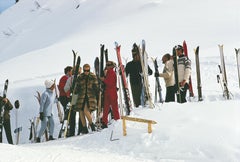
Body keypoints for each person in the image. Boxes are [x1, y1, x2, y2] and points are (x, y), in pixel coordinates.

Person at [125, 43, 153, 107]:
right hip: (134, 85)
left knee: (145, 100)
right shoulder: (129, 64)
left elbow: (150, 72)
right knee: (137, 102)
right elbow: (125, 74)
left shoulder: (143, 63)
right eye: (136, 55)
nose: (138, 57)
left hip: (143, 84)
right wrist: (121, 71)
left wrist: (146, 72)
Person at [74, 64, 98, 134]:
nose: (86, 72)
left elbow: (96, 86)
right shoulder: (80, 77)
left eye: (88, 70)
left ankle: (92, 125)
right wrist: (75, 92)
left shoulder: (93, 76)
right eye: (85, 70)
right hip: (81, 97)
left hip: (90, 96)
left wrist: (98, 92)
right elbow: (77, 87)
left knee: (85, 110)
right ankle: (84, 128)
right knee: (81, 111)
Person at [100, 61, 120, 129]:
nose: (107, 66)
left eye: (108, 65)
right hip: (109, 92)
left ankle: (116, 121)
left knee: (113, 108)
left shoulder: (111, 72)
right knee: (107, 108)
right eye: (107, 65)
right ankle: (105, 122)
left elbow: (110, 83)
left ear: (111, 66)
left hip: (111, 92)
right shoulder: (109, 72)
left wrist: (103, 80)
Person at [64, 66, 82, 136]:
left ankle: (72, 131)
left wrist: (69, 94)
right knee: (81, 113)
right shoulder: (82, 78)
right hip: (81, 97)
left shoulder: (70, 79)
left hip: (73, 97)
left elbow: (66, 89)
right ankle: (81, 130)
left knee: (72, 115)